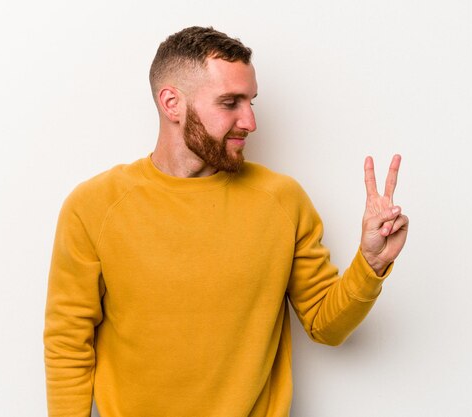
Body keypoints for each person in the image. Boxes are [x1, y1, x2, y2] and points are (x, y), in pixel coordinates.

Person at [44, 26, 408, 417]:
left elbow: (326, 325)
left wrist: (371, 264)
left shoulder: (283, 201)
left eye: (251, 101)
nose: (250, 121)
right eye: (230, 102)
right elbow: (68, 345)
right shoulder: (94, 207)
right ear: (172, 104)